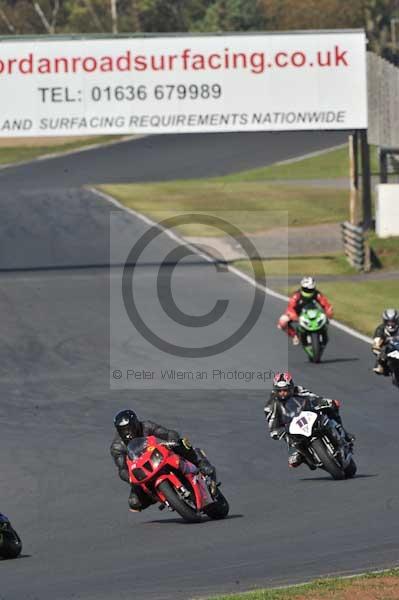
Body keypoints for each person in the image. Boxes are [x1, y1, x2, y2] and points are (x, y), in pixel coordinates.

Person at [110, 409, 217, 511]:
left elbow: (169, 433)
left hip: (157, 457)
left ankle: (200, 462)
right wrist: (129, 477)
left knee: (182, 443)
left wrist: (172, 441)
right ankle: (160, 496)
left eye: (130, 427)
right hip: (143, 470)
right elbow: (122, 468)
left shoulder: (146, 426)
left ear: (136, 423)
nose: (127, 432)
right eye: (122, 430)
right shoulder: (117, 446)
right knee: (134, 502)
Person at [264, 372, 353, 469]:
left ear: (291, 387)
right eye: (279, 391)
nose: (283, 393)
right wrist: (277, 432)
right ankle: (303, 456)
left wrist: (326, 402)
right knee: (293, 451)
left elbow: (314, 397)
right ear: (275, 390)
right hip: (292, 429)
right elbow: (272, 426)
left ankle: (344, 433)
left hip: (309, 417)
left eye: (285, 390)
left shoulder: (299, 390)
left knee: (332, 407)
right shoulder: (270, 406)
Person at [277, 276, 333, 345]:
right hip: (298, 314)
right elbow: (290, 307)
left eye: (310, 289)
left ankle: (323, 334)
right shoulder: (296, 295)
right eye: (306, 289)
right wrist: (294, 316)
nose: (308, 291)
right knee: (282, 322)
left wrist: (328, 311)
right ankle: (294, 336)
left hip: (314, 313)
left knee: (326, 319)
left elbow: (325, 304)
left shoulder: (317, 294)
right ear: (302, 287)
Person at [372, 308, 399, 374]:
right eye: (389, 322)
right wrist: (378, 346)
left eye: (393, 322)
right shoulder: (380, 329)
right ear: (385, 321)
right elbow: (376, 343)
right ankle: (380, 366)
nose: (391, 324)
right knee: (380, 350)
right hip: (388, 350)